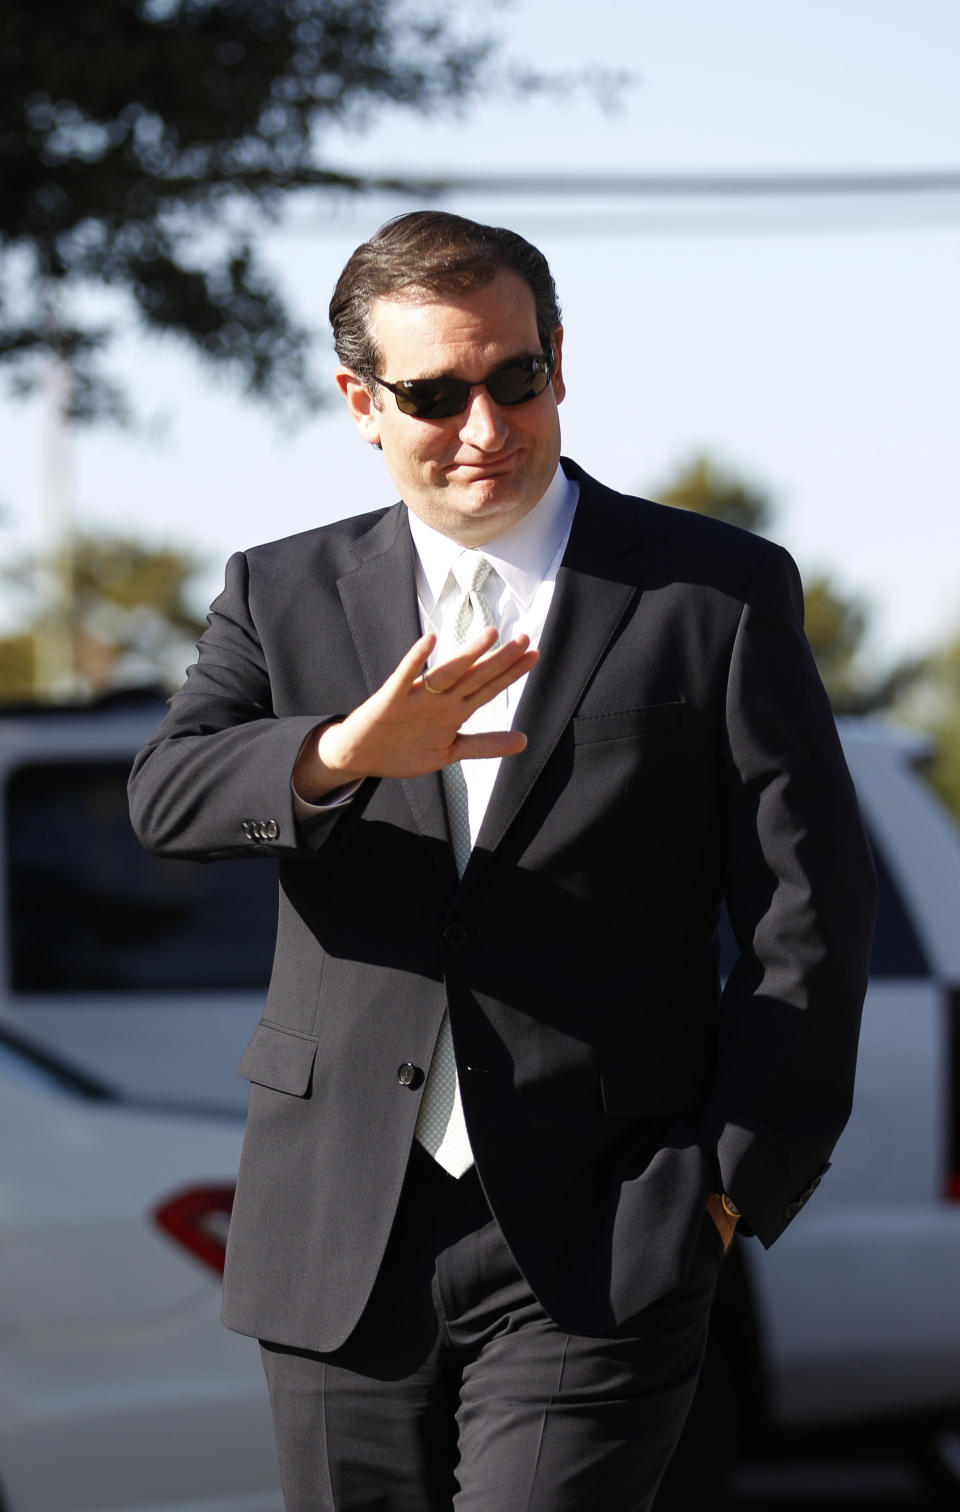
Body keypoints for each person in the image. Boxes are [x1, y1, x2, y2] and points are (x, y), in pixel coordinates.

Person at [128, 211, 877, 1511]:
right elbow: (167, 794)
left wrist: (729, 1184)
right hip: (337, 1233)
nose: (485, 427)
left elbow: (808, 902)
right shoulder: (280, 592)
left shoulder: (715, 593)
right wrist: (340, 754)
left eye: (514, 377)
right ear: (362, 402)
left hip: (606, 1230)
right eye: (434, 394)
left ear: (559, 362)